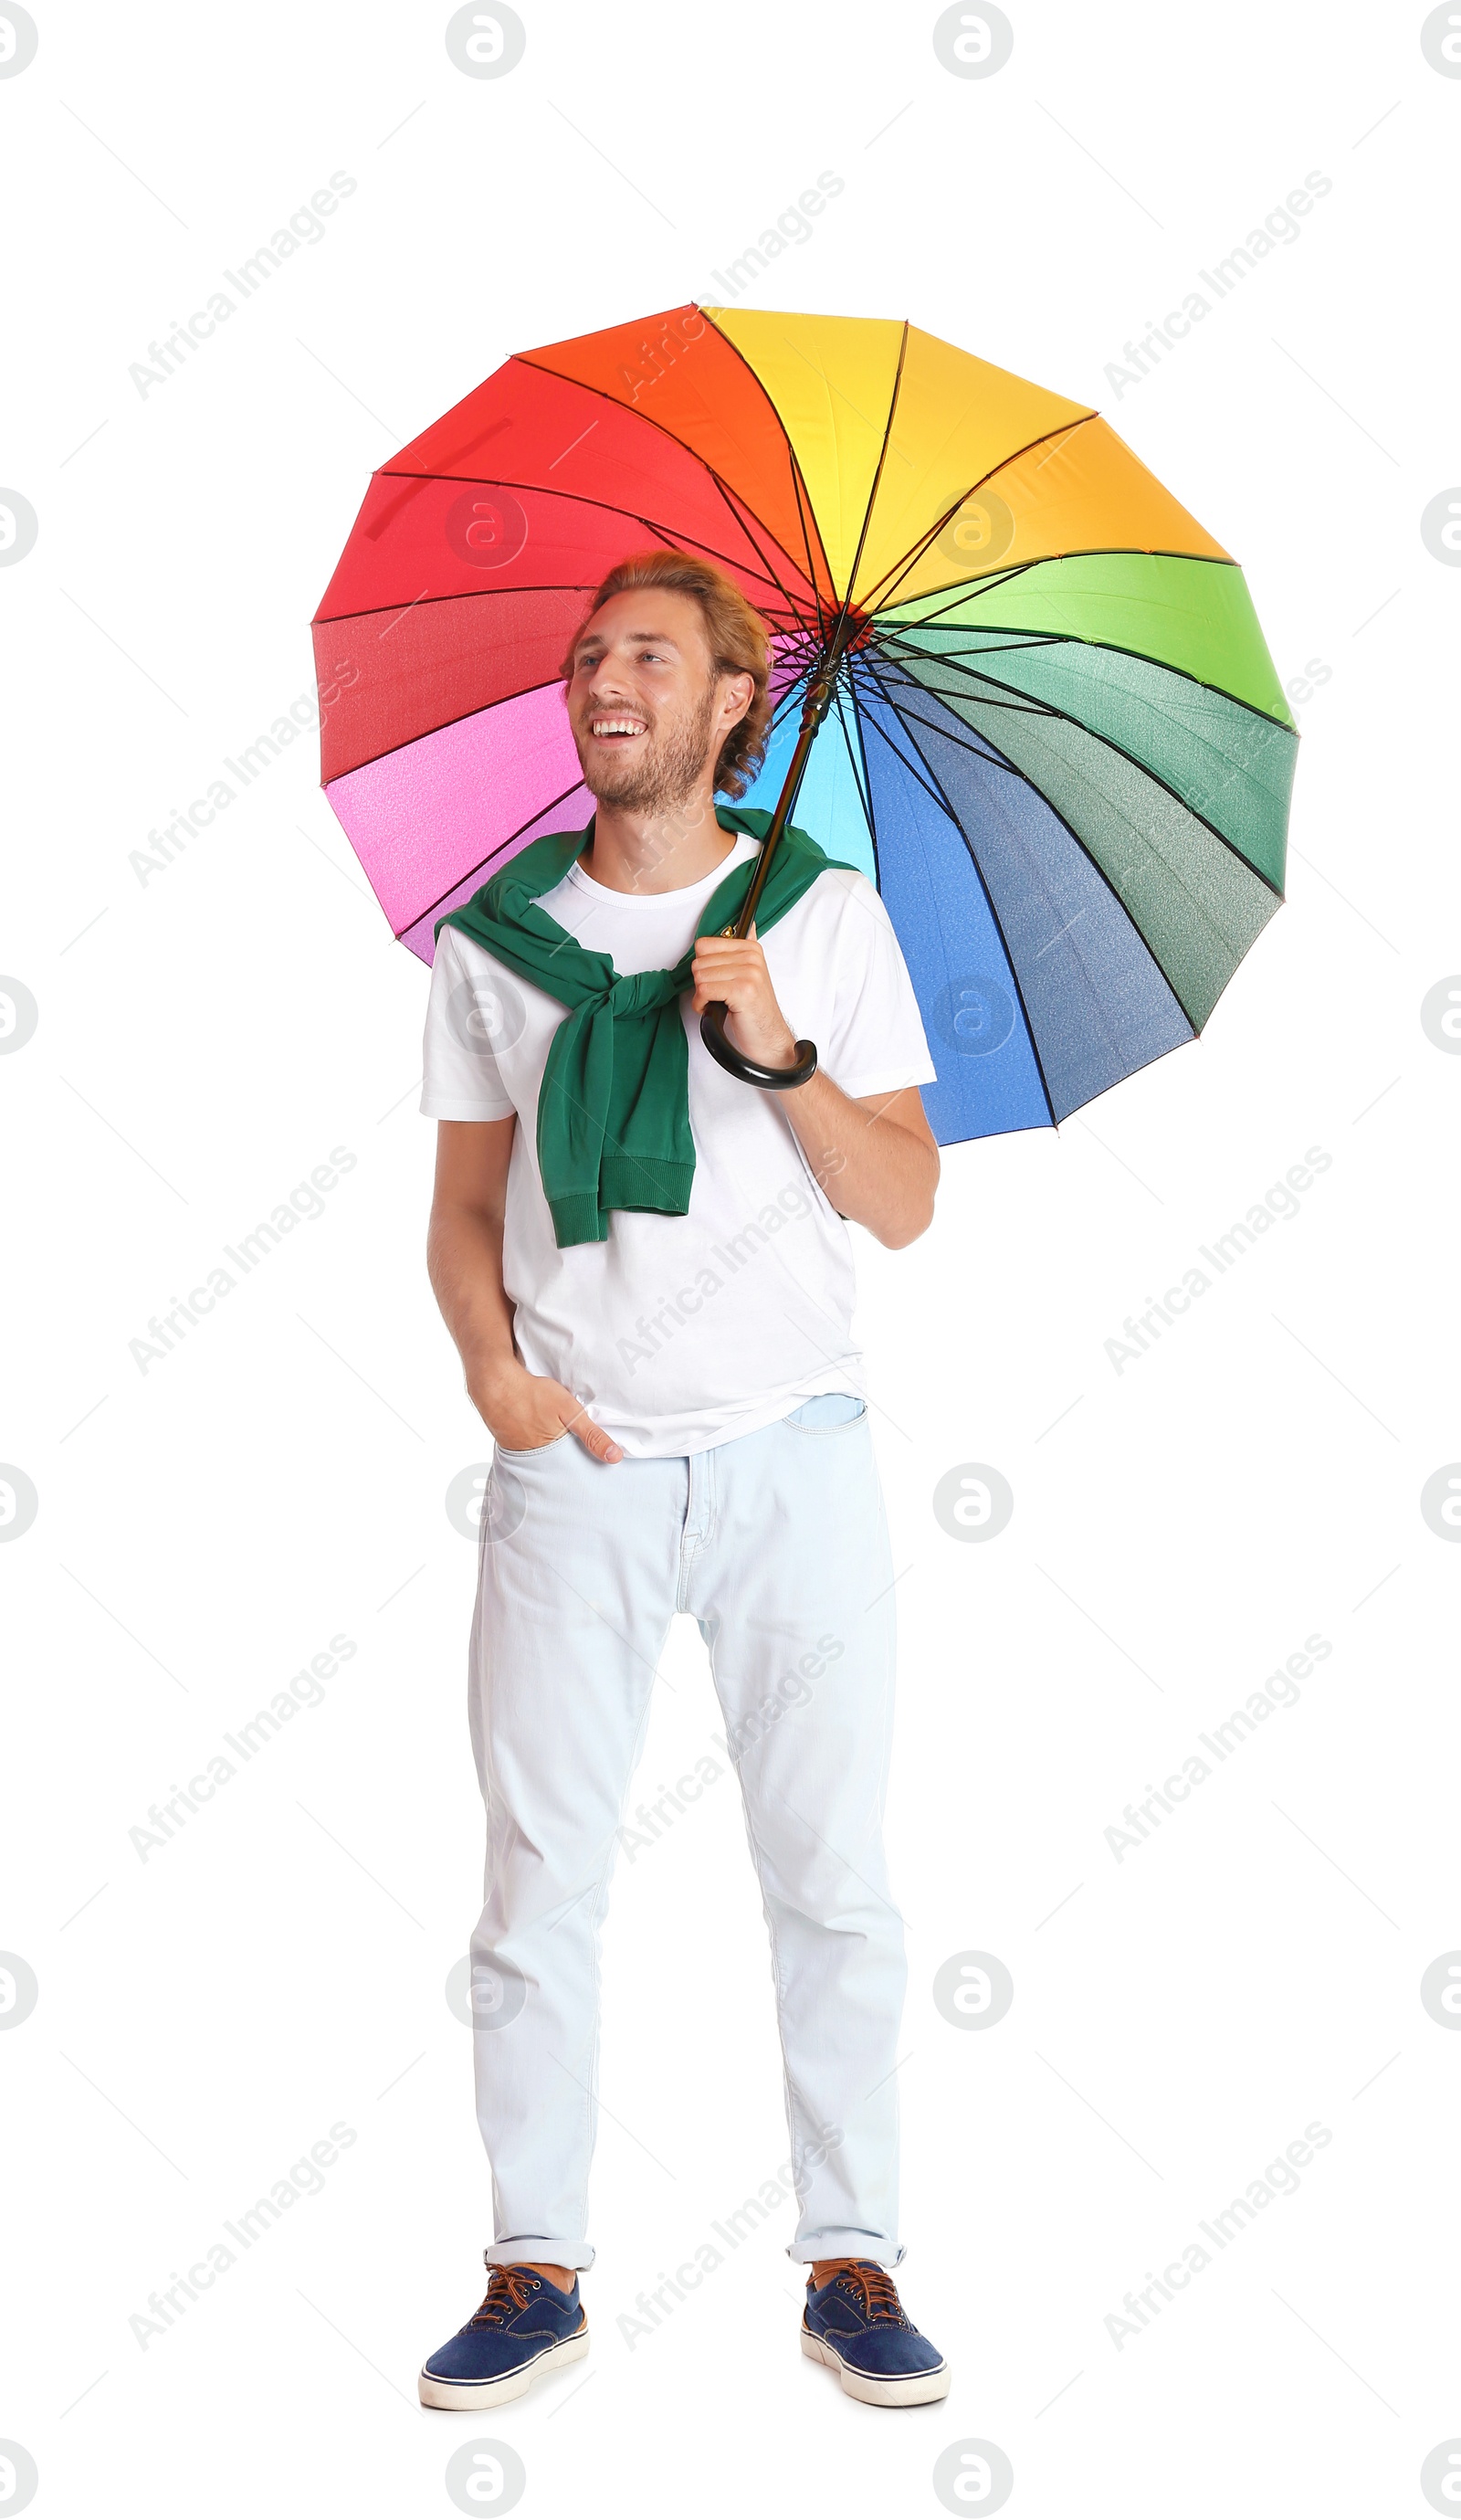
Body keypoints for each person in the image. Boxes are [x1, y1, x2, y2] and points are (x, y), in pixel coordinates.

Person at [416, 548, 948, 2411]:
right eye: (585, 655)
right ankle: (532, 2263)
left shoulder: (819, 921)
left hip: (795, 1454)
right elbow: (467, 1206)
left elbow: (900, 1203)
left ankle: (852, 2258)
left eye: (645, 651)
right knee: (538, 1874)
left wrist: (781, 1057)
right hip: (579, 1469)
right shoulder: (497, 944)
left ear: (736, 701)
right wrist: (496, 1374)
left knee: (829, 1878)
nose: (599, 676)